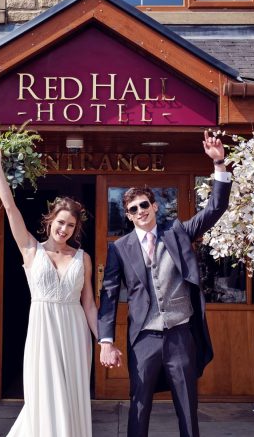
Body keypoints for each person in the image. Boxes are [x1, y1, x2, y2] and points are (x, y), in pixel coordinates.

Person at [97, 132, 232, 437]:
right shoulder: (120, 248)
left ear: (155, 206)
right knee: (139, 405)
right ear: (128, 215)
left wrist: (218, 162)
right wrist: (106, 340)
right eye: (132, 209)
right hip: (144, 338)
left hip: (180, 335)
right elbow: (108, 296)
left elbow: (215, 209)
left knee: (187, 407)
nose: (140, 212)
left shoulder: (178, 232)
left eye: (144, 205)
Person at [0, 150, 98, 437]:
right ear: (50, 221)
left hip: (75, 334)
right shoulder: (30, 249)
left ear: (76, 229)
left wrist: (104, 340)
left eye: (71, 225)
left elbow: (88, 305)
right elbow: (11, 209)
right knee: (44, 396)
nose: (64, 229)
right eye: (60, 222)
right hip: (43, 332)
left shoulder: (82, 258)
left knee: (71, 396)